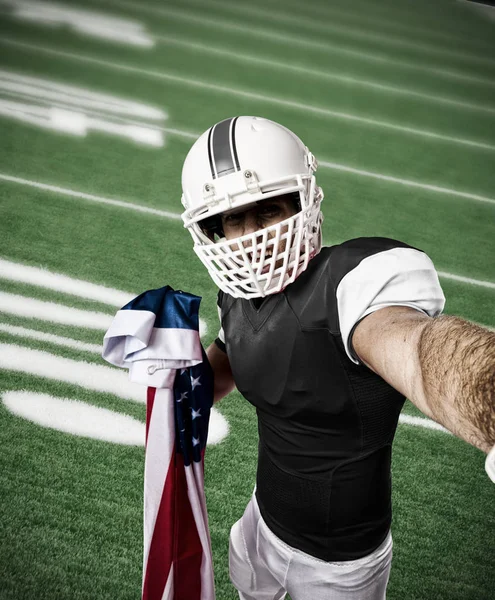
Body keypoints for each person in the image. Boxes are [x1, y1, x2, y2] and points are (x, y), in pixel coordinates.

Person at [180, 116, 495, 600]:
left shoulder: (349, 287)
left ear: (303, 201)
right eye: (232, 219)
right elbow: (230, 361)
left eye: (266, 210)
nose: (250, 237)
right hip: (260, 523)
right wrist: (172, 366)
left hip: (340, 568)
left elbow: (419, 352)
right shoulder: (235, 296)